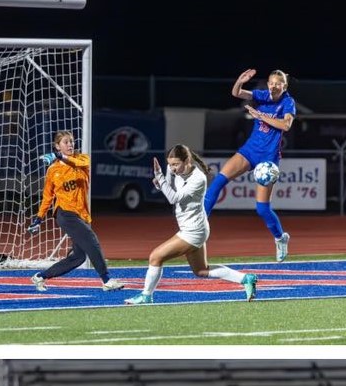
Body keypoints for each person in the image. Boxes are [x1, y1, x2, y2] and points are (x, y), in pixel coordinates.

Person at [123, 144, 257, 305]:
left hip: (193, 231)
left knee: (155, 257)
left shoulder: (198, 179)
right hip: (195, 227)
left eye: (175, 165)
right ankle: (246, 278)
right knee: (202, 271)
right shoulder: (174, 170)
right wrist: (161, 184)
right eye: (170, 164)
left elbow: (173, 198)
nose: (172, 169)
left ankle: (146, 296)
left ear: (187, 161)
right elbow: (170, 188)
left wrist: (159, 176)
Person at [203, 68, 294, 262]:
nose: (273, 86)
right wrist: (239, 81)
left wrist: (260, 116)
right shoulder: (262, 96)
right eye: (271, 82)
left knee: (262, 208)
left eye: (278, 83)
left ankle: (280, 238)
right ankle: (198, 225)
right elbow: (236, 93)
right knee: (218, 182)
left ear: (284, 86)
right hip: (250, 150)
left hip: (268, 159)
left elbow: (286, 125)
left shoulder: (288, 102)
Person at [28, 130, 125, 292]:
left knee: (78, 257)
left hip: (82, 214)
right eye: (65, 142)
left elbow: (79, 164)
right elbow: (47, 197)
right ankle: (107, 280)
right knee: (92, 241)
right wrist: (38, 219)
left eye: (71, 141)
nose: (70, 144)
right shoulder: (52, 170)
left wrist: (60, 157)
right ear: (57, 146)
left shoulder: (82, 159)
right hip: (65, 214)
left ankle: (40, 277)